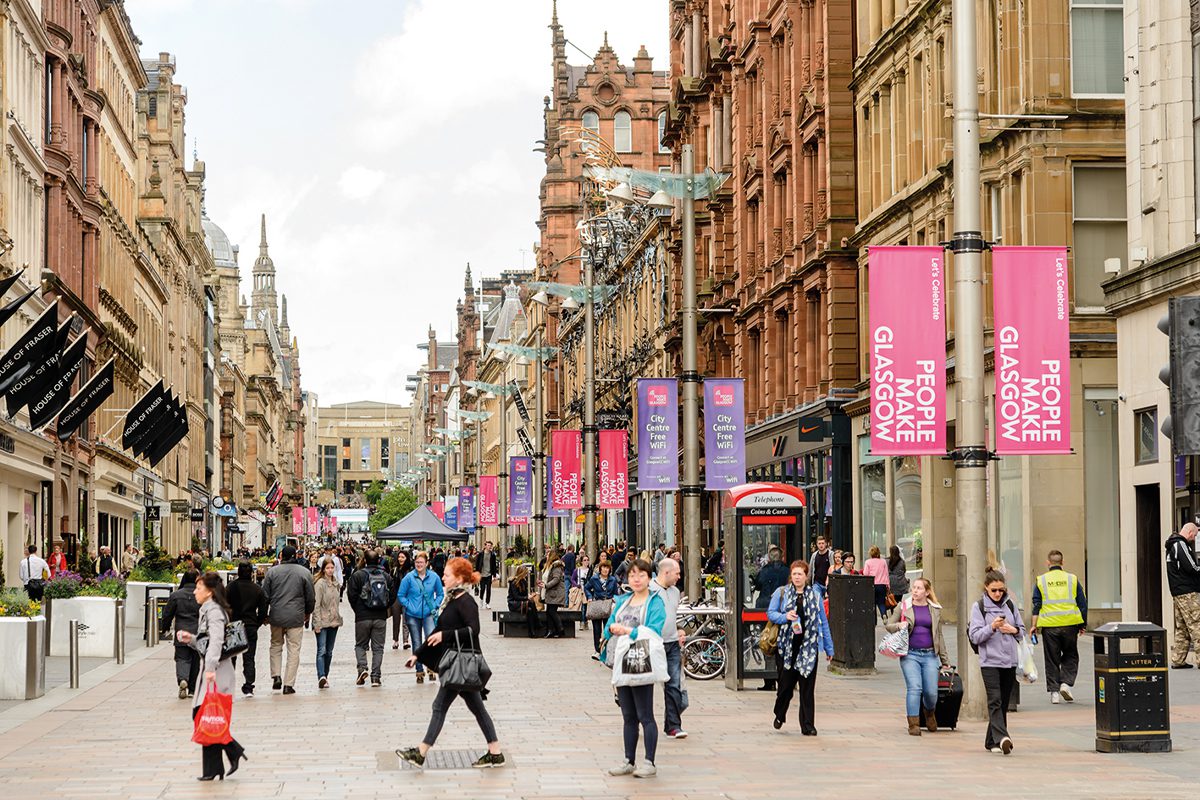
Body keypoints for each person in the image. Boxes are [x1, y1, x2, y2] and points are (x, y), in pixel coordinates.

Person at [396, 557, 506, 769]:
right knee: (477, 708)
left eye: (446, 575)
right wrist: (417, 654)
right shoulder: (453, 600)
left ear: (458, 579)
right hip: (459, 666)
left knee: (439, 706)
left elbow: (473, 630)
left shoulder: (466, 602)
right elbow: (438, 631)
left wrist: (445, 636)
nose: (443, 578)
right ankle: (495, 752)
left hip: (460, 665)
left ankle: (420, 752)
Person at [176, 573, 248, 781]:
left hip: (216, 672)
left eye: (199, 588)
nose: (195, 592)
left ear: (209, 591)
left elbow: (216, 641)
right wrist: (191, 639)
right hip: (211, 670)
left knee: (205, 716)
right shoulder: (208, 610)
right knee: (205, 716)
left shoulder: (214, 611)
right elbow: (206, 641)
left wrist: (210, 667)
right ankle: (215, 767)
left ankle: (228, 755)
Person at [604, 558, 667, 779]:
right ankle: (628, 760)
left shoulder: (655, 602)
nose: (636, 579)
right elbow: (610, 622)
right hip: (622, 662)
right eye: (632, 575)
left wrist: (628, 631)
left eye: (641, 574)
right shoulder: (623, 600)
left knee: (645, 714)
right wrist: (610, 629)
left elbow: (654, 628)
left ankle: (649, 762)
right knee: (628, 715)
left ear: (649, 578)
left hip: (642, 660)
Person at [766, 560, 833, 735]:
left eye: (800, 574)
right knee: (785, 687)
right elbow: (771, 613)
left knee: (807, 689)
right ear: (791, 576)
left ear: (806, 576)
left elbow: (823, 622)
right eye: (794, 574)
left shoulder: (815, 595)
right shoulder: (782, 593)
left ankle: (808, 725)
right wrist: (785, 617)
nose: (797, 577)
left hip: (808, 648)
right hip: (787, 648)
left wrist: (829, 648)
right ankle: (780, 713)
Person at [968, 570, 1025, 755]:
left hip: (1009, 661)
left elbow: (1022, 631)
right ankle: (1002, 738)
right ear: (986, 588)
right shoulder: (979, 607)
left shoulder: (1010, 604)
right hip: (990, 662)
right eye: (994, 590)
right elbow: (975, 636)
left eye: (1001, 590)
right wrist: (992, 627)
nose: (998, 594)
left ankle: (991, 741)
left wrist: (1013, 629)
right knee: (995, 700)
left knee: (1004, 702)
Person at [885, 578, 949, 735]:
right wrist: (899, 625)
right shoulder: (904, 606)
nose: (915, 591)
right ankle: (913, 723)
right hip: (910, 654)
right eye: (914, 587)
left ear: (927, 592)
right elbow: (888, 625)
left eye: (919, 588)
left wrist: (945, 661)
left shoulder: (934, 609)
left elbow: (939, 636)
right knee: (914, 688)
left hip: (930, 655)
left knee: (931, 691)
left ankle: (929, 713)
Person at [1030, 549, 1087, 704]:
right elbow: (1082, 603)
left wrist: (1033, 626)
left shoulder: (1041, 580)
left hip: (1049, 626)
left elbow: (1037, 604)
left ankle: (1054, 692)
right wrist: (1083, 624)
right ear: (1062, 562)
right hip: (1070, 624)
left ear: (1048, 563)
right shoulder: (1072, 579)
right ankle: (1065, 683)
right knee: (1071, 655)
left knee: (1051, 658)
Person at [260, 545, 316, 695]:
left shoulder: (272, 572)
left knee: (276, 645)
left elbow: (265, 596)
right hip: (296, 616)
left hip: (277, 616)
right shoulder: (304, 573)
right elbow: (310, 597)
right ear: (296, 555)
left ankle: (276, 675)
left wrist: (264, 615)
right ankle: (288, 684)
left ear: (281, 556)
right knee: (294, 650)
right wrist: (308, 612)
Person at [650, 557, 687, 739]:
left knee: (673, 684)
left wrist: (679, 630)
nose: (679, 577)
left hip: (672, 644)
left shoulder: (674, 592)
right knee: (645, 685)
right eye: (677, 573)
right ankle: (640, 719)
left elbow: (673, 616)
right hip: (652, 644)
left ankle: (673, 725)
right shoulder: (649, 590)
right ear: (666, 572)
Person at [347, 549, 394, 687]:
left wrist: (358, 609)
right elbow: (392, 595)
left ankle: (362, 668)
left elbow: (351, 595)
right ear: (379, 560)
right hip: (380, 616)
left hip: (362, 616)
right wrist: (384, 606)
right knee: (378, 648)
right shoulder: (386, 576)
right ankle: (376, 677)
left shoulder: (358, 575)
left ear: (365, 560)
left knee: (360, 645)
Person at [397, 551, 444, 684]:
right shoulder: (409, 578)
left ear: (426, 563)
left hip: (429, 614)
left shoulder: (434, 577)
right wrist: (409, 606)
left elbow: (440, 594)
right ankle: (419, 670)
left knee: (431, 640)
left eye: (421, 562)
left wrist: (434, 606)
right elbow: (401, 595)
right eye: (417, 562)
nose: (419, 565)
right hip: (412, 615)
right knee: (417, 642)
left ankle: (430, 667)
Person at [226, 561, 268, 697]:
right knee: (249, 657)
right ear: (251, 573)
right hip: (250, 626)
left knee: (231, 656)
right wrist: (257, 623)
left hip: (234, 625)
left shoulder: (230, 588)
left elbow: (224, 606)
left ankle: (228, 684)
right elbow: (263, 610)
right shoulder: (257, 589)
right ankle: (249, 685)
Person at [162, 571, 202, 699]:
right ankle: (192, 689)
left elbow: (167, 614)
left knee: (182, 658)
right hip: (196, 632)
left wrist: (165, 628)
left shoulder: (175, 595)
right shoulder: (201, 595)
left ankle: (183, 679)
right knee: (195, 660)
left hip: (181, 631)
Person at [1165, 522, 1200, 669]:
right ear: (1190, 532)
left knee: (1182, 628)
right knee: (1197, 625)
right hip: (1187, 592)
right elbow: (1192, 567)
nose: (1194, 539)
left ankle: (1178, 659)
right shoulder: (1180, 545)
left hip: (1178, 592)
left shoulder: (1172, 545)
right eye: (1195, 536)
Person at [312, 558, 343, 688]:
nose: (330, 570)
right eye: (328, 568)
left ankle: (326, 675)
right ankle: (321, 676)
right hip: (322, 621)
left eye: (332, 568)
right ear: (323, 569)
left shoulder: (336, 584)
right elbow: (316, 604)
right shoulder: (319, 584)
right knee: (321, 650)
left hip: (334, 621)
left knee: (329, 651)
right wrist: (316, 623)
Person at [585, 560, 619, 656]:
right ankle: (597, 650)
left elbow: (616, 593)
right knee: (596, 629)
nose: (605, 570)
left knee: (607, 629)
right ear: (600, 569)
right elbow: (587, 588)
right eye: (603, 568)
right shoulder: (594, 579)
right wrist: (589, 597)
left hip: (608, 606)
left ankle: (607, 650)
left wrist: (614, 600)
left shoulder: (612, 580)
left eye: (607, 568)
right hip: (597, 605)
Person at [508, 564, 543, 639]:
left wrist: (531, 595)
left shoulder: (524, 581)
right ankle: (537, 623)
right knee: (531, 603)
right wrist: (527, 597)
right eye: (526, 573)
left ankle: (532, 632)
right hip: (514, 603)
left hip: (523, 603)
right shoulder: (514, 582)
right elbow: (516, 597)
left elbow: (525, 594)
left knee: (530, 610)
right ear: (522, 573)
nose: (527, 575)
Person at [539, 550, 566, 638]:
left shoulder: (556, 566)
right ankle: (551, 630)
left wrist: (546, 585)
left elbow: (556, 579)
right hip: (551, 592)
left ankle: (560, 629)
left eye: (548, 554)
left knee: (551, 611)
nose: (546, 556)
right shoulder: (549, 566)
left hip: (555, 592)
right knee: (549, 611)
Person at [390, 549, 413, 650]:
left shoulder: (411, 570)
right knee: (396, 619)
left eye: (402, 557)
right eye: (399, 557)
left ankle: (405, 641)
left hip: (407, 598)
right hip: (396, 598)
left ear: (407, 558)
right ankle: (395, 640)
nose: (400, 559)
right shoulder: (394, 570)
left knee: (406, 619)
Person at [862, 546, 890, 620]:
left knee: (872, 603)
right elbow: (886, 574)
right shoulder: (883, 561)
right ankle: (884, 614)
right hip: (882, 585)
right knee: (881, 602)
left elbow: (865, 574)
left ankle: (874, 621)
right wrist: (888, 585)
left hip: (871, 585)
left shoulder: (868, 562)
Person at [474, 541, 498, 609]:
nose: (489, 547)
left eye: (490, 545)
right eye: (488, 545)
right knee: (482, 589)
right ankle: (481, 600)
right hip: (482, 574)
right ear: (485, 546)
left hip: (489, 574)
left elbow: (494, 565)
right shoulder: (480, 554)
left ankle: (487, 603)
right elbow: (477, 564)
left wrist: (494, 575)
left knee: (488, 589)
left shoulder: (492, 555)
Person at [808, 536, 832, 601]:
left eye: (822, 543)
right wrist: (808, 583)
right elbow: (810, 570)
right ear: (817, 544)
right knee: (817, 602)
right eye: (819, 543)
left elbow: (833, 568)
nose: (821, 545)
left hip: (828, 584)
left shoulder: (830, 554)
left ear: (826, 544)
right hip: (817, 583)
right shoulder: (814, 556)